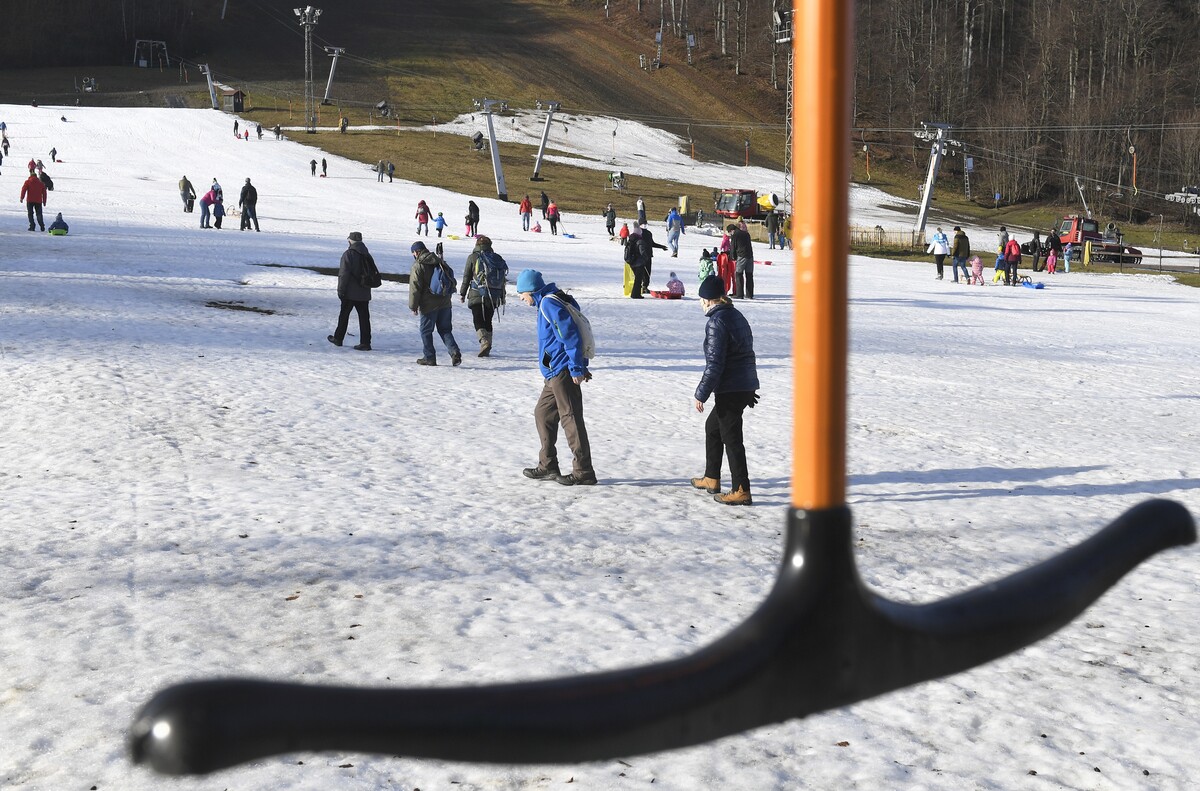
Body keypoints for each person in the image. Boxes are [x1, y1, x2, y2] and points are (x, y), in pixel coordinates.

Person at [516, 269, 596, 486]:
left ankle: (583, 471)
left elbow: (570, 334)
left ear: (530, 290)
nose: (521, 298)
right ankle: (548, 465)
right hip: (552, 373)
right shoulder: (551, 300)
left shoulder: (548, 304)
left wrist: (577, 367)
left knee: (570, 418)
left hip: (562, 370)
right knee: (542, 413)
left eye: (521, 293)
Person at [690, 275, 760, 506]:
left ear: (709, 300)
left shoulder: (716, 322)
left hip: (731, 387)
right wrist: (748, 386)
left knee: (732, 438)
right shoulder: (735, 315)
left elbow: (715, 363)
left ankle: (741, 489)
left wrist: (701, 393)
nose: (701, 303)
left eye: (702, 299)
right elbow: (745, 353)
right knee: (713, 428)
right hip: (740, 384)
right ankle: (712, 477)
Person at [409, 241, 462, 366]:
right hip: (445, 302)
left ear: (416, 252)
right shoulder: (439, 261)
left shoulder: (418, 265)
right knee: (445, 329)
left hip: (428, 304)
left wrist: (413, 306)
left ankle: (429, 357)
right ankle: (454, 352)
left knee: (425, 331)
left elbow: (415, 287)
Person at [459, 235, 507, 357]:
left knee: (478, 318)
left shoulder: (473, 257)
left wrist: (463, 293)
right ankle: (488, 344)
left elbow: (467, 276)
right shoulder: (497, 258)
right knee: (488, 320)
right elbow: (502, 279)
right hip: (494, 295)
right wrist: (502, 296)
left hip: (477, 293)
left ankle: (484, 342)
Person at [328, 231, 375, 351]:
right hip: (364, 292)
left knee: (344, 315)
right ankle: (365, 343)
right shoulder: (367, 254)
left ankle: (338, 338)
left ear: (351, 241)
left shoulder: (348, 254)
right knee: (364, 318)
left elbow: (343, 274)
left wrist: (341, 290)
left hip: (349, 292)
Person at [727, 223, 754, 299]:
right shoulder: (746, 234)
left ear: (731, 230)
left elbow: (733, 247)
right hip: (750, 256)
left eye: (729, 232)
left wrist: (732, 257)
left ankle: (739, 294)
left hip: (741, 256)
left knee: (738, 274)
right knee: (749, 275)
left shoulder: (735, 235)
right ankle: (749, 294)